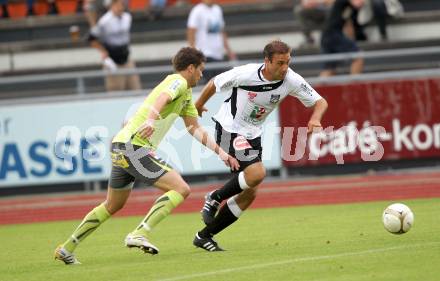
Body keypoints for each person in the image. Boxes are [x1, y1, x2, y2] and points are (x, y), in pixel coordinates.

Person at [54, 47, 240, 264]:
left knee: (112, 205)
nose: (201, 74)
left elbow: (194, 128)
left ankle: (67, 248)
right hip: (134, 146)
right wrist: (151, 120)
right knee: (180, 188)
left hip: (121, 146)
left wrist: (221, 153)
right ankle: (139, 233)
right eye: (200, 70)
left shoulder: (186, 93)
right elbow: (161, 98)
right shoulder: (177, 81)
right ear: (190, 68)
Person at [192, 40, 328, 251]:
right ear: (267, 61)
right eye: (280, 63)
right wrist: (199, 104)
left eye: (288, 62)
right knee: (257, 174)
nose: (285, 68)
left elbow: (320, 102)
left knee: (250, 193)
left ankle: (204, 235)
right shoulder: (246, 73)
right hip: (229, 128)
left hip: (252, 135)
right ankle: (214, 196)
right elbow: (214, 83)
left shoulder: (291, 79)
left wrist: (316, 119)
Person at [89, 0, 142, 92]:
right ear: (111, 6)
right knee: (116, 92)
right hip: (113, 61)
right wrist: (103, 51)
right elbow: (92, 39)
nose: (120, 7)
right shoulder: (104, 21)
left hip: (126, 58)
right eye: (117, 5)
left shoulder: (127, 17)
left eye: (121, 4)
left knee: (136, 89)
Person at [186, 0, 236, 81]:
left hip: (218, 55)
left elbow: (222, 31)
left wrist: (229, 51)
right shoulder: (197, 11)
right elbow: (191, 32)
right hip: (204, 55)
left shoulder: (217, 9)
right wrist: (194, 54)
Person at [319, 0, 365, 77]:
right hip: (331, 34)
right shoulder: (342, 2)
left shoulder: (353, 9)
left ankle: (314, 89)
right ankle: (353, 86)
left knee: (329, 69)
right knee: (358, 56)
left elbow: (349, 25)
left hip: (329, 35)